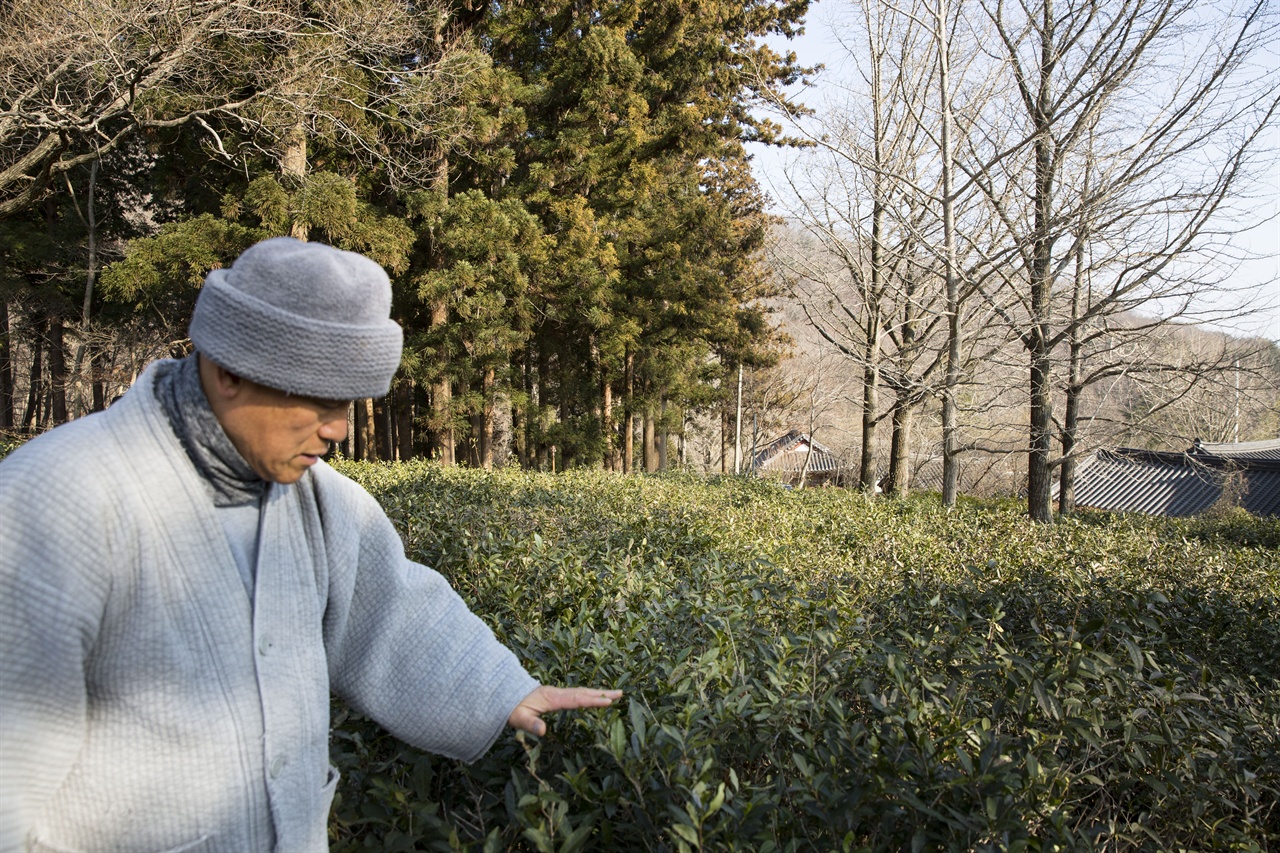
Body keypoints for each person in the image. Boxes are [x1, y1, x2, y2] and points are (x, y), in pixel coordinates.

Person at [0, 237, 621, 853]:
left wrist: (499, 688)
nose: (338, 431)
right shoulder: (55, 500)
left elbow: (392, 608)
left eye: (347, 404)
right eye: (320, 402)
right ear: (228, 371)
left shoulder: (319, 500)